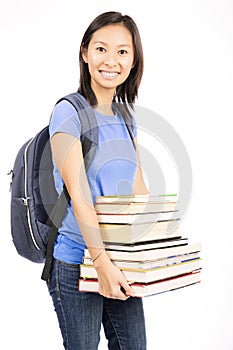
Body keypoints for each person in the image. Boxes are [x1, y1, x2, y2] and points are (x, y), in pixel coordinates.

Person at [47, 11, 148, 350]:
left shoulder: (126, 118)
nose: (111, 60)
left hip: (121, 260)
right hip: (77, 260)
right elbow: (79, 193)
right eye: (101, 49)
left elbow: (139, 194)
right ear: (85, 52)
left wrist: (156, 248)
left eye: (123, 51)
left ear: (133, 61)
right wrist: (101, 263)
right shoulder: (67, 113)